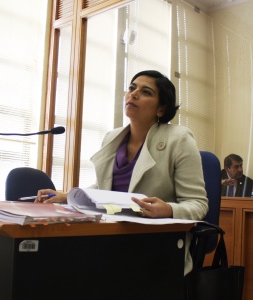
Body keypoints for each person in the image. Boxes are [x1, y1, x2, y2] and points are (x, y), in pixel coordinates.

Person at [36, 70, 209, 275]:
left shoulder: (179, 139)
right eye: (131, 88)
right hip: (110, 236)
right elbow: (104, 188)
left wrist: (169, 210)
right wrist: (67, 196)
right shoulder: (113, 137)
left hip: (157, 244)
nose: (133, 94)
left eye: (145, 91)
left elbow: (198, 204)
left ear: (161, 108)